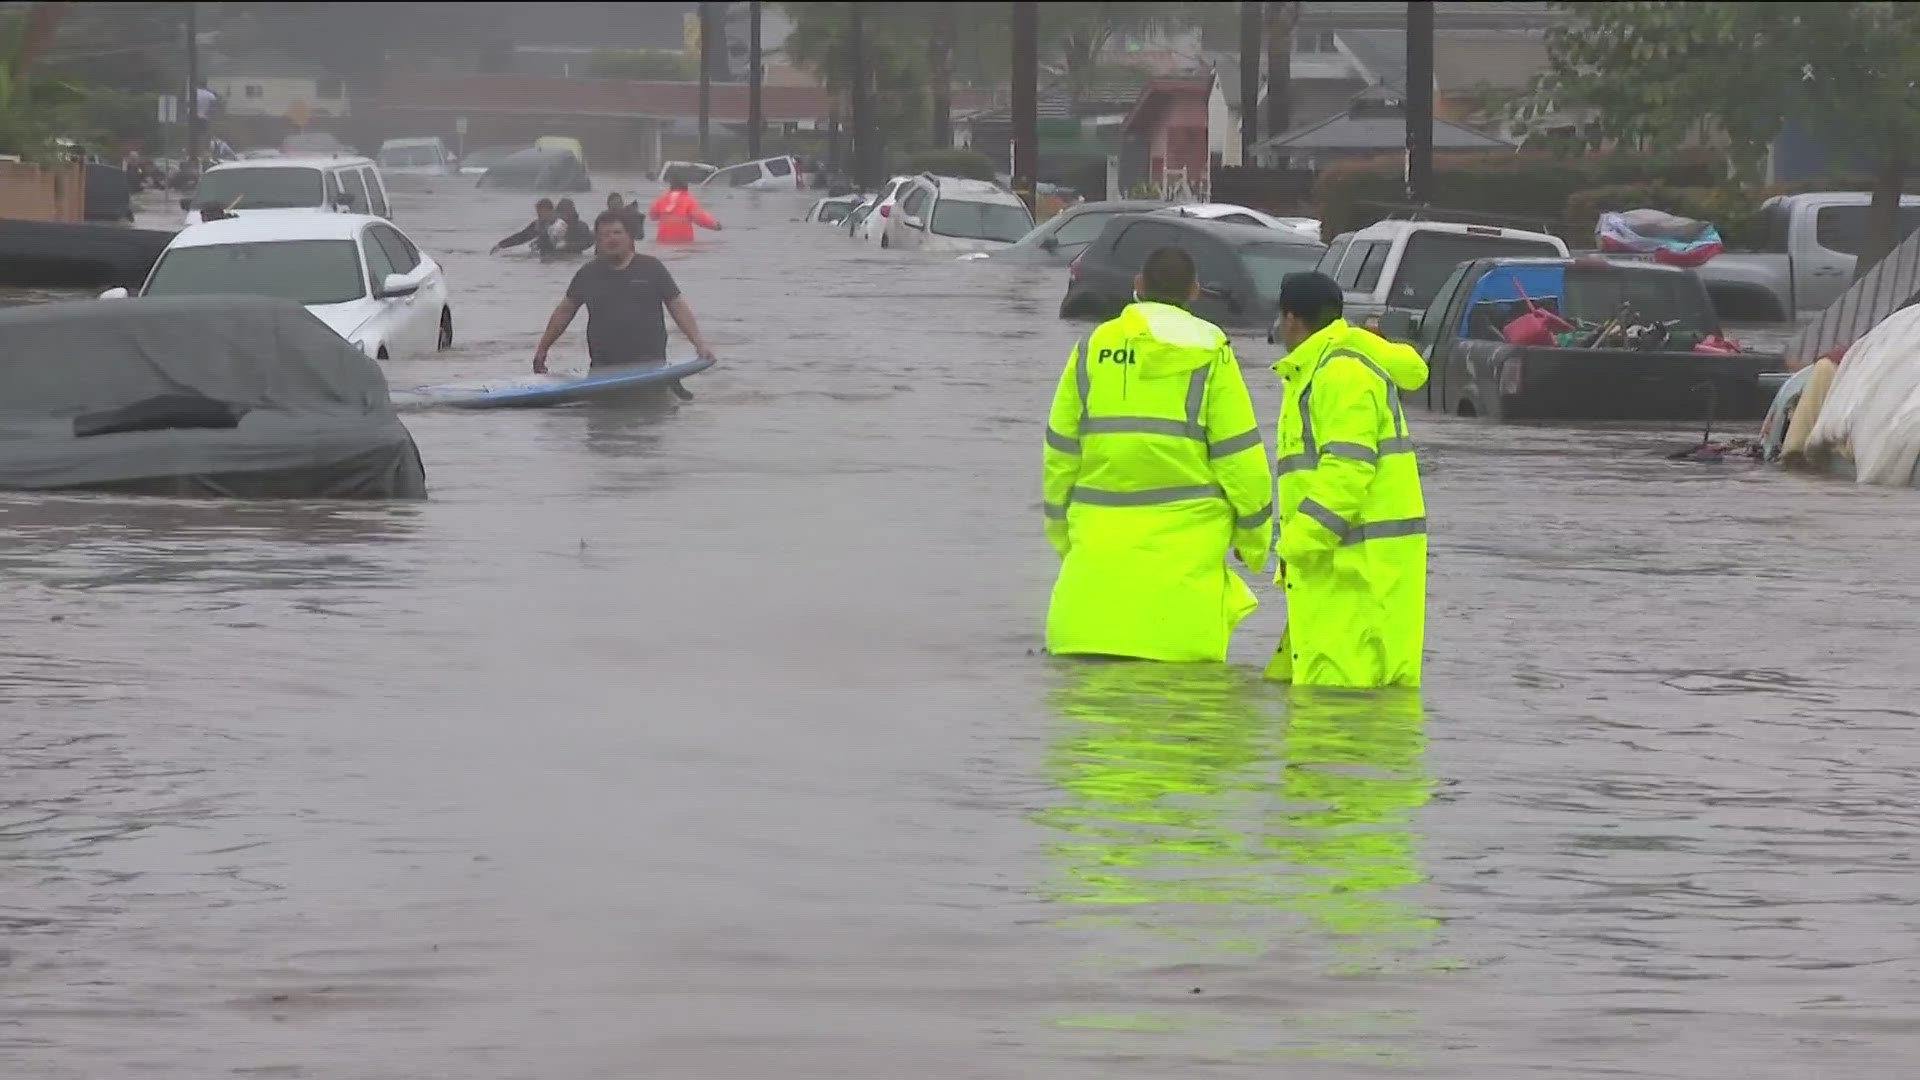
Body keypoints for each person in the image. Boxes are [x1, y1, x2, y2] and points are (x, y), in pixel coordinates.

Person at [1040, 246, 1273, 663]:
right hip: (1182, 620)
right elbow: (1241, 459)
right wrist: (1254, 542)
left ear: (1138, 286)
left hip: (1085, 614)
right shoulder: (1212, 352)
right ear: (1195, 292)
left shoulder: (1093, 347)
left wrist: (1064, 539)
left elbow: (1059, 454)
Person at [1266, 271, 1429, 689]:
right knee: (1328, 712)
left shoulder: (1339, 375)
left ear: (1291, 320)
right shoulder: (1324, 368)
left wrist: (1296, 545)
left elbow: (1348, 470)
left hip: (1356, 572)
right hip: (1343, 567)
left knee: (1339, 712)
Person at [531, 210, 718, 374]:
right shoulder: (588, 274)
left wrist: (699, 345)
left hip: (650, 364)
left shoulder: (652, 268)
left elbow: (678, 307)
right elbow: (563, 312)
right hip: (604, 367)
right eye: (604, 235)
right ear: (598, 240)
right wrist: (542, 350)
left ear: (629, 236)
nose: (611, 239)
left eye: (617, 233)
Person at [649, 178, 720, 244]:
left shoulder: (661, 199)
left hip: (663, 240)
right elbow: (700, 217)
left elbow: (652, 216)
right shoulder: (689, 200)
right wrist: (714, 225)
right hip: (683, 240)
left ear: (671, 187)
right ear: (686, 188)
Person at [492, 198, 563, 258]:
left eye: (540, 212)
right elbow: (522, 236)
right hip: (547, 254)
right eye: (537, 212)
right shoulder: (538, 224)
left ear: (549, 210)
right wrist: (500, 245)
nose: (538, 215)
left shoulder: (559, 223)